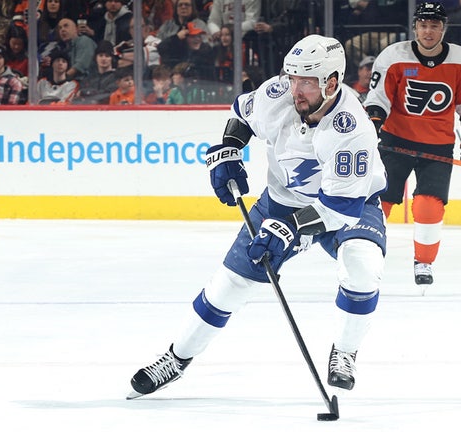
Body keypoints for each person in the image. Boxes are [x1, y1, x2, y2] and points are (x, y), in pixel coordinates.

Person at [128, 34, 388, 399]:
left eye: (307, 82)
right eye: (293, 77)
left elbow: (339, 209)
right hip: (281, 201)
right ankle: (176, 358)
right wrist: (229, 149)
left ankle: (344, 352)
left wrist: (292, 228)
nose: (296, 89)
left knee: (362, 264)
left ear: (332, 82)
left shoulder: (352, 129)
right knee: (230, 286)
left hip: (352, 203)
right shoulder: (279, 93)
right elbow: (241, 116)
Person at [363, 2, 461, 286]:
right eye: (423, 25)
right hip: (395, 141)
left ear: (443, 28)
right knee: (379, 201)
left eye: (434, 25)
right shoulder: (393, 57)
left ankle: (424, 262)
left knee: (428, 206)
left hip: (438, 146)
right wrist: (371, 131)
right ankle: (367, 254)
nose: (428, 31)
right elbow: (378, 100)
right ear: (415, 27)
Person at [73, 40, 118, 104]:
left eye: (107, 56)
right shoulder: (88, 79)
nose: (103, 58)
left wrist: (85, 92)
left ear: (112, 58)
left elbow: (108, 95)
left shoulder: (116, 77)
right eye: (100, 55)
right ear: (96, 58)